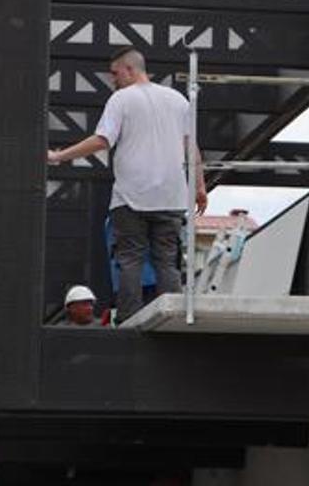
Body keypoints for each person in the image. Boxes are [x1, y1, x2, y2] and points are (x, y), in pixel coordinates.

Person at [47, 46, 207, 322]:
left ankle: (130, 320)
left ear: (130, 69)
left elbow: (102, 140)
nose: (113, 80)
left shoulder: (122, 99)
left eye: (115, 73)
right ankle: (176, 317)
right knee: (166, 260)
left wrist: (59, 156)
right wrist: (200, 187)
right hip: (171, 197)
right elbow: (191, 147)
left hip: (132, 196)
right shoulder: (179, 100)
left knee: (130, 259)